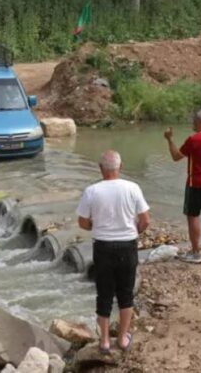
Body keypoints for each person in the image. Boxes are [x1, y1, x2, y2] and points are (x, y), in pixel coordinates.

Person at [77, 150, 150, 353]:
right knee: (126, 294)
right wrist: (136, 231)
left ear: (101, 168)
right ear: (121, 167)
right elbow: (145, 220)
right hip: (127, 244)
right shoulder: (133, 188)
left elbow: (82, 222)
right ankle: (123, 339)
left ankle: (105, 341)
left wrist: (96, 226)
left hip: (103, 246)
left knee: (104, 294)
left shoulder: (92, 191)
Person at [164, 109, 201, 264]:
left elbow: (176, 157)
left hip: (195, 182)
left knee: (192, 216)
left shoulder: (193, 139)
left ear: (199, 122)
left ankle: (196, 252)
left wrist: (169, 140)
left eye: (193, 122)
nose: (192, 125)